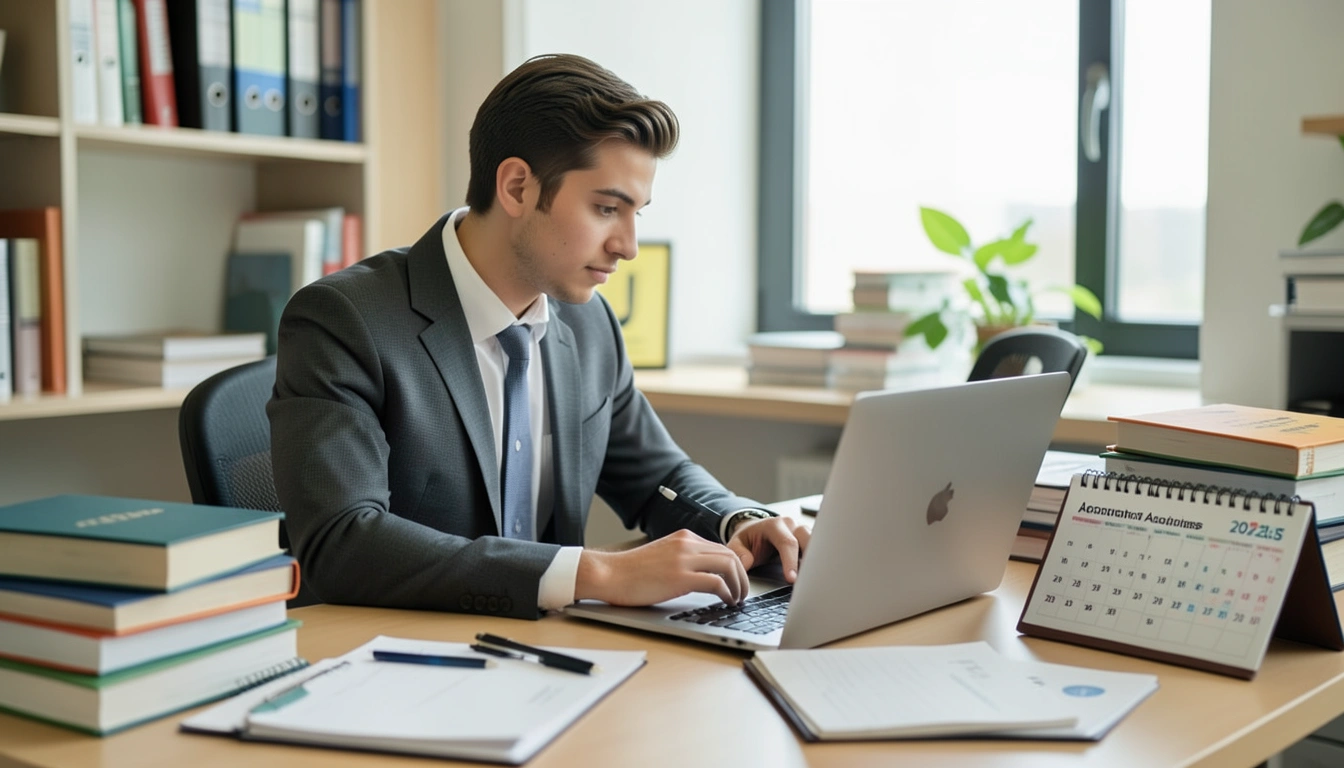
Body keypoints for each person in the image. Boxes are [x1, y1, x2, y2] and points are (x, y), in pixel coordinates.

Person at [268, 53, 810, 619]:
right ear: (518, 186)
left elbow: (658, 478)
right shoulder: (343, 320)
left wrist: (740, 521)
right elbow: (342, 544)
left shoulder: (589, 322)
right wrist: (594, 571)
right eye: (606, 208)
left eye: (636, 215)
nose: (627, 246)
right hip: (402, 662)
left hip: (550, 652)